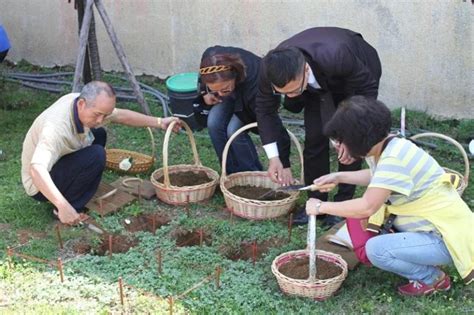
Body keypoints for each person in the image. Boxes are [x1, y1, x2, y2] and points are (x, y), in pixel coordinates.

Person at [306, 96, 473, 296]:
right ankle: (423, 259)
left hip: (446, 236)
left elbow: (367, 206)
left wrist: (320, 207)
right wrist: (339, 176)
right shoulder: (389, 145)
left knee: (375, 249)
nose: (339, 146)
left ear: (358, 140)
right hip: (442, 226)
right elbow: (378, 177)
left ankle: (432, 279)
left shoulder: (393, 159)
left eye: (341, 141)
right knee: (361, 226)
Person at [256, 27, 382, 226]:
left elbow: (367, 89)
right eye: (283, 93)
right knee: (315, 138)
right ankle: (316, 204)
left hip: (355, 76)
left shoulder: (338, 55)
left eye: (294, 90)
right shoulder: (268, 69)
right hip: (316, 85)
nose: (290, 97)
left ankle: (344, 204)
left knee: (350, 141)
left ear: (305, 70)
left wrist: (351, 138)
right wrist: (274, 157)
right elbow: (264, 110)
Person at [21, 81, 181, 225]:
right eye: (97, 114)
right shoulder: (55, 128)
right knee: (96, 155)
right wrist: (63, 206)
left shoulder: (85, 103)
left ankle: (76, 187)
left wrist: (159, 122)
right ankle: (68, 206)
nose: (100, 120)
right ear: (82, 104)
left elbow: (122, 116)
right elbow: (36, 169)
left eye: (104, 115)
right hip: (39, 186)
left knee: (99, 133)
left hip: (58, 161)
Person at [194, 46, 290, 174]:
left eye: (224, 89)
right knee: (213, 122)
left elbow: (268, 121)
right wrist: (205, 91)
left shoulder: (258, 81)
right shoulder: (212, 57)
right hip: (234, 93)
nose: (220, 94)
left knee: (234, 130)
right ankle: (230, 173)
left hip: (254, 100)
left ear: (235, 76)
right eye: (215, 90)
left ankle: (252, 173)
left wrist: (282, 161)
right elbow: (204, 73)